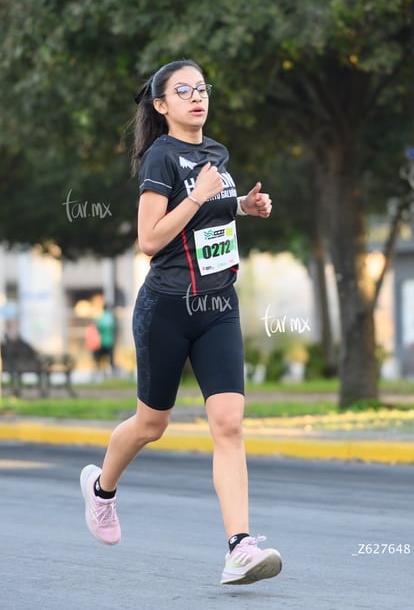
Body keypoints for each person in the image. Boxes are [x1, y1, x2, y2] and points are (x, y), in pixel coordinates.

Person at [80, 59, 282, 586]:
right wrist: (198, 194)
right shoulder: (161, 159)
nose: (198, 97)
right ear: (161, 105)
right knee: (152, 425)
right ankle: (101, 490)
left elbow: (206, 219)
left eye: (202, 88)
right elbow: (150, 239)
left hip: (218, 307)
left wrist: (241, 204)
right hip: (167, 310)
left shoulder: (215, 153)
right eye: (183, 90)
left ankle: (239, 547)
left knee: (230, 425)